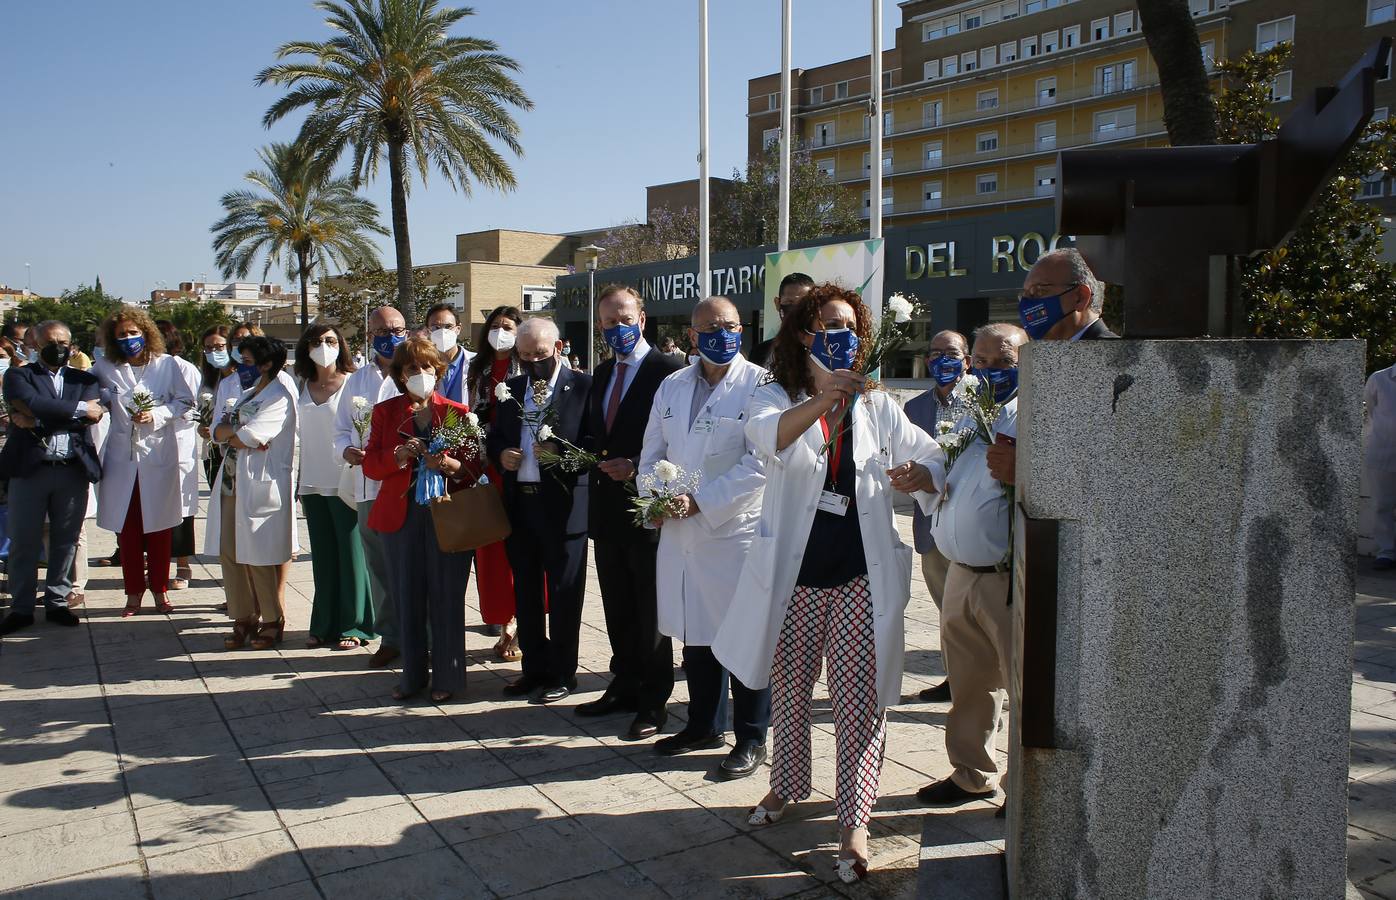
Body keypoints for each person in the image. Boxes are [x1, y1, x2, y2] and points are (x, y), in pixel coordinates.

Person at [711, 283, 945, 884]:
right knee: (789, 691)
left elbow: (935, 452)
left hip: (860, 575)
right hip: (794, 576)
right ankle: (786, 787)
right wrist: (824, 399)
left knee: (857, 698)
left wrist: (922, 472)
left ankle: (853, 819)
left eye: (847, 326)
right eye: (824, 326)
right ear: (804, 336)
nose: (837, 336)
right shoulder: (775, 394)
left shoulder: (878, 405)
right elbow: (767, 438)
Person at [640, 297, 771, 780]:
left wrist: (702, 502)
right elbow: (653, 449)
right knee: (695, 633)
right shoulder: (672, 384)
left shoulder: (761, 384)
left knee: (742, 636)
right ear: (692, 336)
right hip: (679, 528)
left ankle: (751, 735)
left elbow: (760, 463)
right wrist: (654, 497)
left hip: (731, 530)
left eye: (731, 325)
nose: (722, 334)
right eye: (711, 328)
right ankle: (702, 724)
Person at [916, 323, 1027, 809]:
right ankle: (970, 773)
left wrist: (1025, 470)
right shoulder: (966, 409)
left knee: (1024, 689)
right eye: (980, 362)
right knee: (968, 683)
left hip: (1008, 578)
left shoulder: (1039, 413)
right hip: (960, 571)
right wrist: (925, 475)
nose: (988, 371)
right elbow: (948, 469)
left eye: (1002, 362)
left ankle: (1023, 791)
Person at [577, 284, 685, 739]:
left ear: (642, 319)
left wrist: (639, 467)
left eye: (624, 319)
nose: (616, 328)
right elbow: (593, 430)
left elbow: (681, 441)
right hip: (606, 508)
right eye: (607, 322)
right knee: (617, 604)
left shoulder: (671, 371)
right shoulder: (601, 373)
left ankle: (653, 698)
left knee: (649, 608)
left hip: (648, 509)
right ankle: (622, 683)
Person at [362, 337, 477, 703]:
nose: (422, 374)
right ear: (399, 375)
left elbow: (474, 469)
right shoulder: (385, 412)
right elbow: (370, 465)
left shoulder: (457, 411)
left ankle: (449, 676)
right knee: (406, 595)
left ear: (438, 371)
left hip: (447, 513)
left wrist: (446, 464)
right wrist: (396, 456)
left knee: (447, 595)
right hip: (401, 515)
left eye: (428, 367)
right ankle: (412, 675)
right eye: (413, 368)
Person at [489, 317, 591, 703]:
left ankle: (563, 673)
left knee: (565, 594)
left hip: (564, 508)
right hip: (521, 504)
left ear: (559, 348)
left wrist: (561, 453)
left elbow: (594, 442)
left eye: (541, 354)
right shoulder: (512, 389)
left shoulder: (582, 386)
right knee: (527, 593)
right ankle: (533, 668)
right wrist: (502, 454)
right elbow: (496, 436)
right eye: (526, 355)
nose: (534, 361)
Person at [0, 321, 103, 634]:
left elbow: (93, 414)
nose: (56, 346)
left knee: (65, 540)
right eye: (49, 341)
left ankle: (57, 600)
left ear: (71, 345)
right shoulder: (19, 375)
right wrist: (78, 411)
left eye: (62, 341)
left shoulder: (84, 378)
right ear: (35, 342)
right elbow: (28, 403)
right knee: (23, 541)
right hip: (30, 470)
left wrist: (37, 418)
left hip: (71, 469)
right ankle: (21, 607)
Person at [984, 248, 1116, 488]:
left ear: (1079, 297)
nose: (1027, 304)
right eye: (1024, 294)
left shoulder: (1113, 361)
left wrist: (1026, 470)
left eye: (1039, 291)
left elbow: (1110, 464)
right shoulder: (1050, 360)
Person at [93, 307, 194, 616]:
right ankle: (134, 592)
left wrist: (158, 414)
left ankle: (161, 591)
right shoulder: (105, 368)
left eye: (134, 332)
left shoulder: (166, 365)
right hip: (123, 458)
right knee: (129, 529)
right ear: (113, 338)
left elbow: (185, 402)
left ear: (146, 333)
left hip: (157, 454)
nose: (128, 339)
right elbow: (94, 398)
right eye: (122, 334)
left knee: (160, 527)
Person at [208, 336, 298, 650]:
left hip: (261, 483)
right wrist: (232, 434)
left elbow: (251, 435)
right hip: (233, 482)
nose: (241, 370)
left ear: (267, 364)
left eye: (247, 363)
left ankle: (272, 619)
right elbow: (216, 431)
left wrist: (233, 434)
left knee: (258, 555)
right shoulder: (247, 395)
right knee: (230, 553)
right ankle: (243, 617)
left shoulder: (280, 396)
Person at [333, 306, 406, 667]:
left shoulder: (418, 372)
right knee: (377, 564)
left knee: (411, 562)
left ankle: (421, 636)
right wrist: (345, 448)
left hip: (406, 484)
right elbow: (341, 428)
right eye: (382, 331)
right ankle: (390, 637)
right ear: (369, 336)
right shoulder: (356, 380)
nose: (390, 336)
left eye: (396, 329)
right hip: (367, 484)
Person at [296, 324, 376, 650]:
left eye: (330, 340)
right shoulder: (299, 384)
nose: (324, 346)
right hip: (311, 482)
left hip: (345, 481)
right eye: (317, 341)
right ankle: (323, 624)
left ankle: (356, 626)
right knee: (323, 557)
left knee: (351, 555)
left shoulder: (352, 384)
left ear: (341, 345)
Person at [903, 329, 973, 704]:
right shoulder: (914, 409)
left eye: (951, 353)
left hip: (975, 523)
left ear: (967, 360)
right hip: (931, 526)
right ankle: (954, 678)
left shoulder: (985, 401)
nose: (942, 360)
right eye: (934, 353)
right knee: (946, 609)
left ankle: (984, 680)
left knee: (977, 610)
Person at [467, 305, 524, 658]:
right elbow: (472, 413)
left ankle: (520, 624)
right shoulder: (478, 369)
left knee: (521, 549)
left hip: (519, 467)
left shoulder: (529, 366)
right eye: (495, 326)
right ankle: (503, 622)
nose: (500, 332)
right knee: (493, 555)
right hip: (487, 468)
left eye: (507, 326)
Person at [155, 320, 201, 591]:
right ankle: (157, 564)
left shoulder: (183, 368)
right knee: (155, 509)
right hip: (152, 449)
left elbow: (190, 406)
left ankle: (183, 566)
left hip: (179, 443)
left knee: (182, 510)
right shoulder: (147, 370)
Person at [198, 325, 235, 488]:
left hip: (236, 449)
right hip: (214, 451)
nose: (214, 352)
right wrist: (203, 427)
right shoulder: (209, 380)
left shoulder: (243, 379)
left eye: (220, 346)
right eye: (208, 348)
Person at [754, 272, 816, 366]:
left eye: (803, 303)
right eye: (789, 302)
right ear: (777, 303)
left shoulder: (821, 350)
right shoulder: (760, 352)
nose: (796, 309)